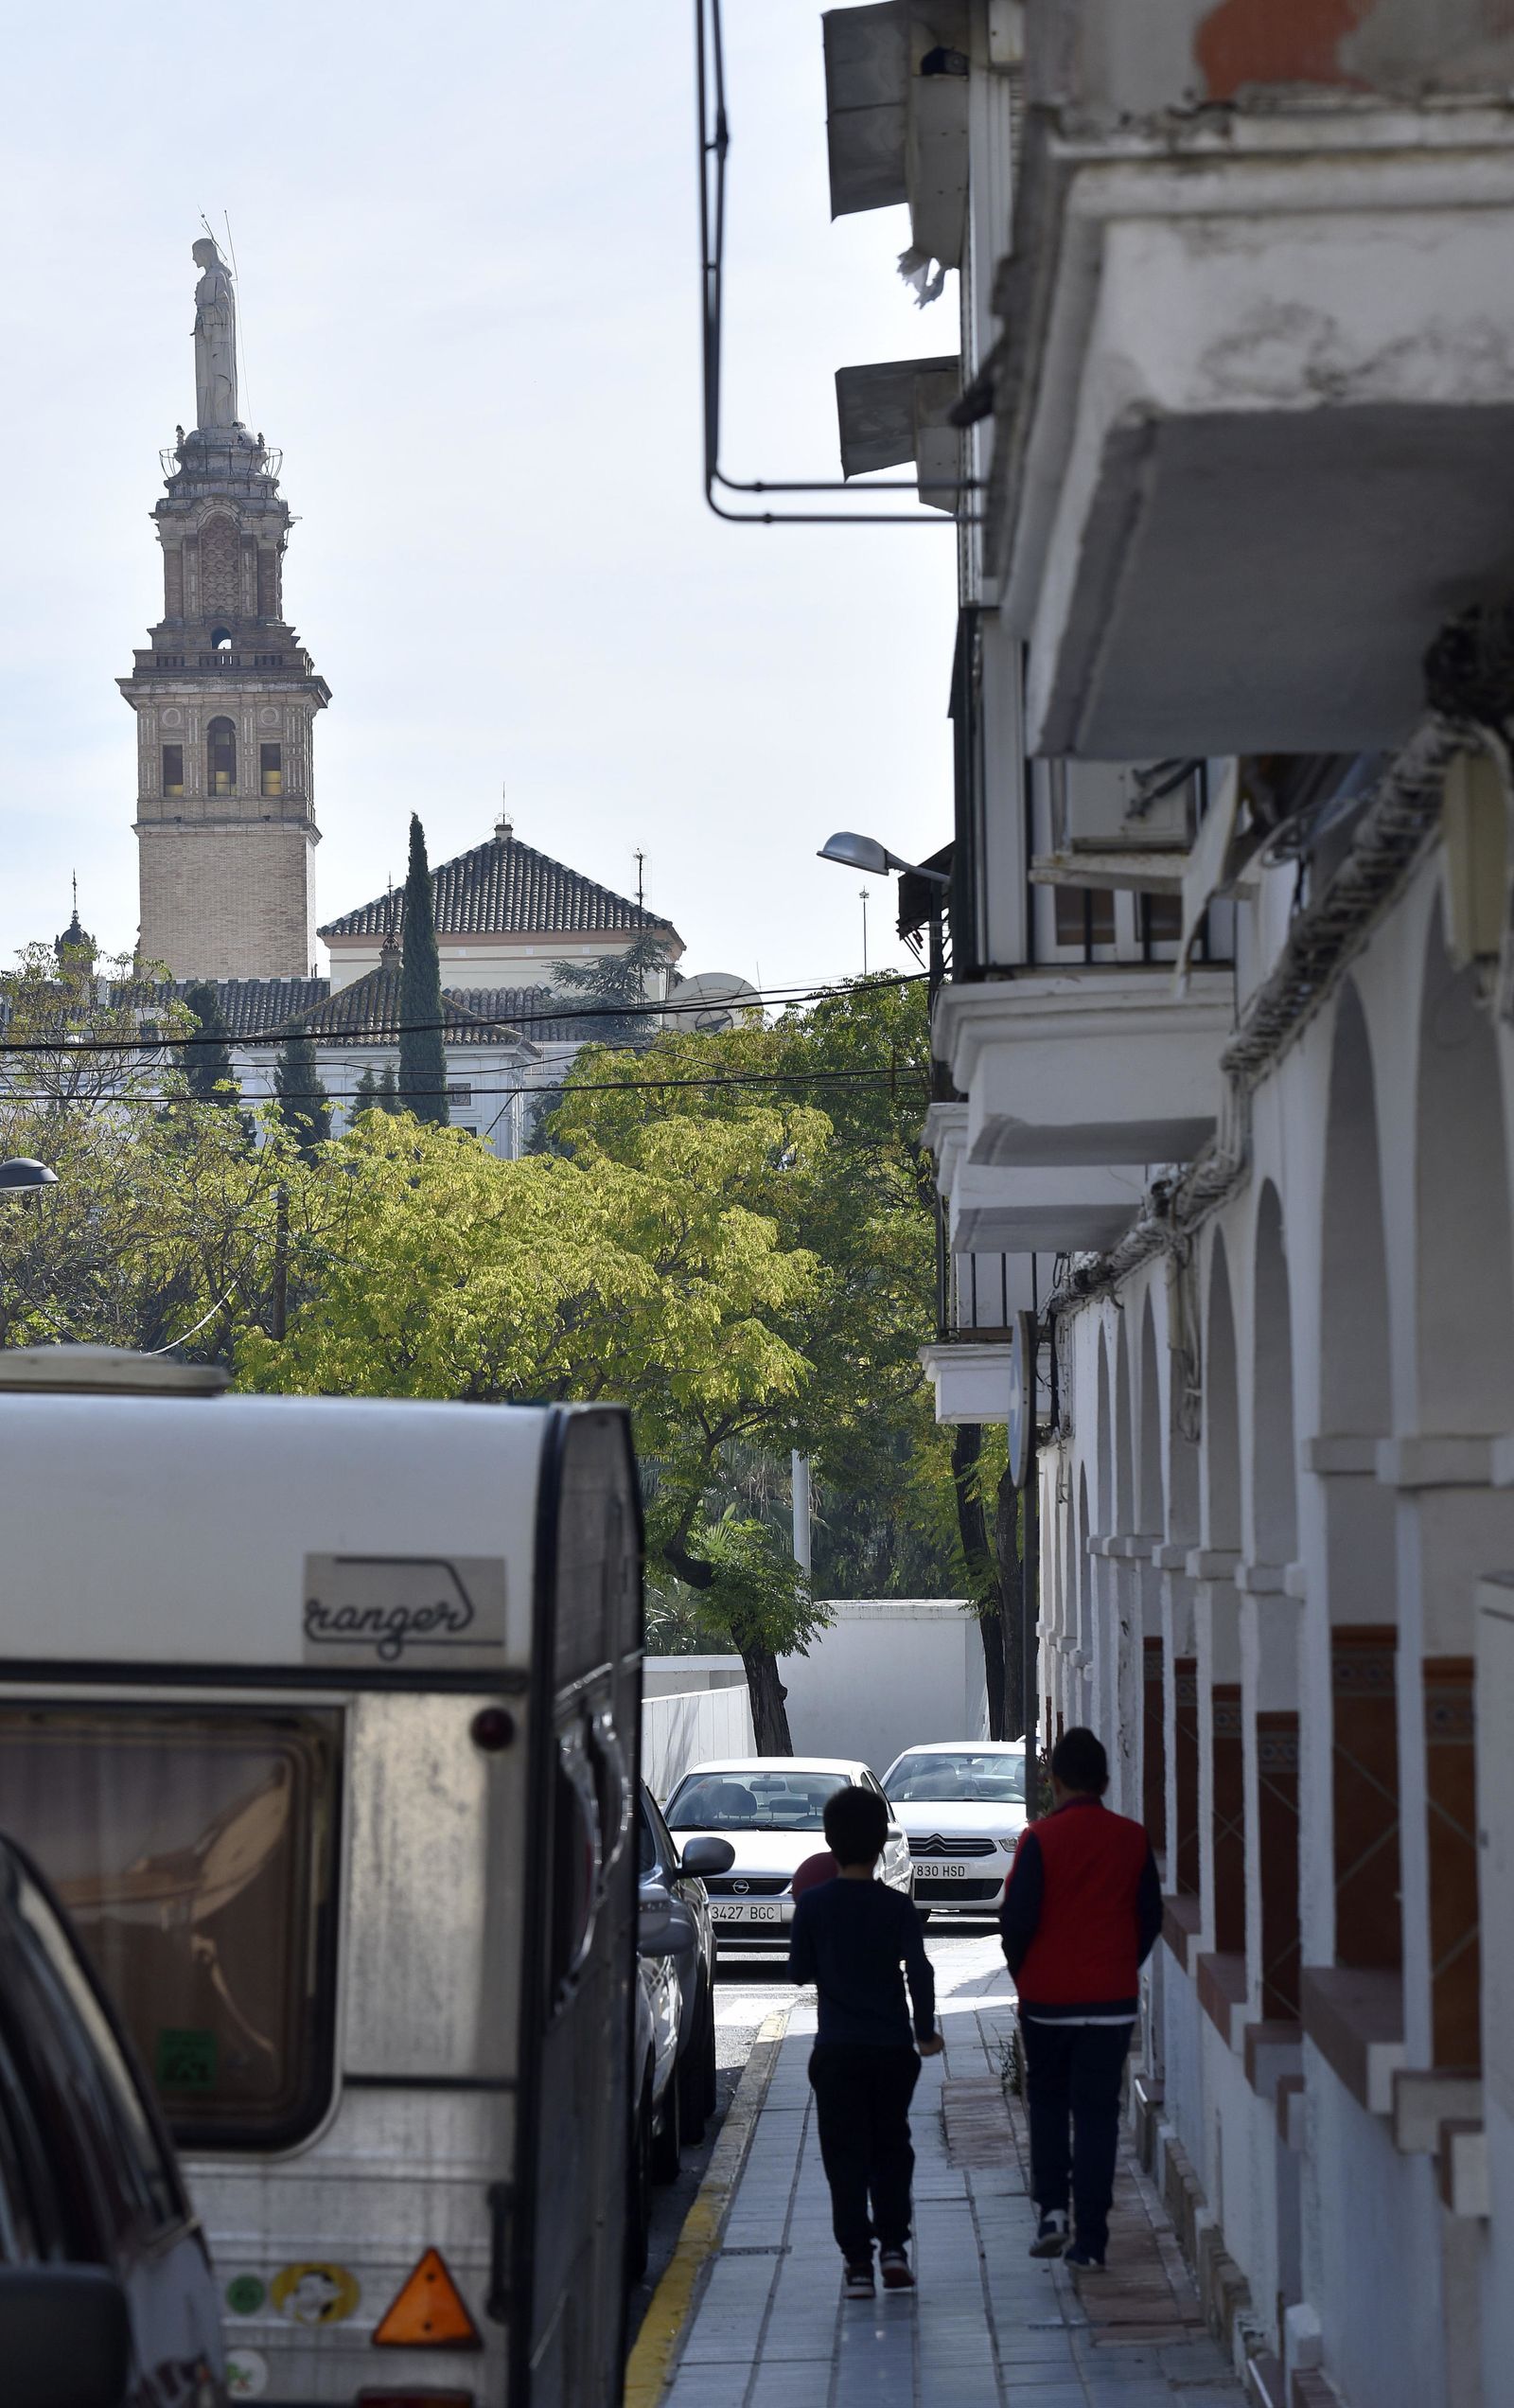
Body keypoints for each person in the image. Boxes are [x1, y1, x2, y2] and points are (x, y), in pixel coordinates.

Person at [999, 1726, 1161, 2269]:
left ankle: (1052, 2212)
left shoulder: (1040, 1840)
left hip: (1047, 2001)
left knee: (1047, 2104)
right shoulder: (1133, 1839)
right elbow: (1150, 1918)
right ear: (1107, 1782)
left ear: (1055, 1780)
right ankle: (1091, 2238)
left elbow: (1016, 1921)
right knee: (1097, 2114)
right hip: (1112, 2000)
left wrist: (1026, 1975)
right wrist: (1120, 1967)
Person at [786, 1785, 943, 2299]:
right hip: (892, 2049)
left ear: (830, 1842)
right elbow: (919, 1970)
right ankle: (895, 2247)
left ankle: (858, 2263)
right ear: (882, 1844)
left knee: (844, 2156)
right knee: (891, 2147)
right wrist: (924, 2032)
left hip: (837, 2050)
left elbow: (798, 1973)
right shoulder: (898, 1907)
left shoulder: (813, 1906)